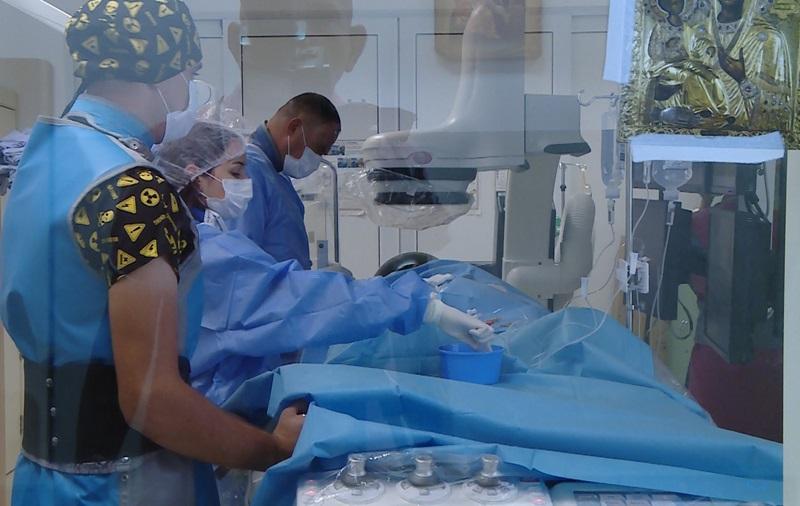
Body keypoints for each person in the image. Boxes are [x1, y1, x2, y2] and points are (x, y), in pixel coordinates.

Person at [0, 2, 303, 505]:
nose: (190, 93)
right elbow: (153, 400)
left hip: (43, 479)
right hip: (126, 485)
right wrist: (272, 448)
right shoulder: (132, 188)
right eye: (190, 74)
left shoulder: (43, 157)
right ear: (161, 71)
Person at [154, 122, 496, 407]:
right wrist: (423, 306)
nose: (247, 182)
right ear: (196, 175)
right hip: (210, 413)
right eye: (236, 171)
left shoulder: (193, 235)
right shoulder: (208, 253)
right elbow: (295, 299)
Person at [239, 93, 341, 269]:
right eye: (318, 149)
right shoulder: (248, 171)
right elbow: (243, 260)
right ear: (294, 128)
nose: (318, 159)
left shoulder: (277, 175)